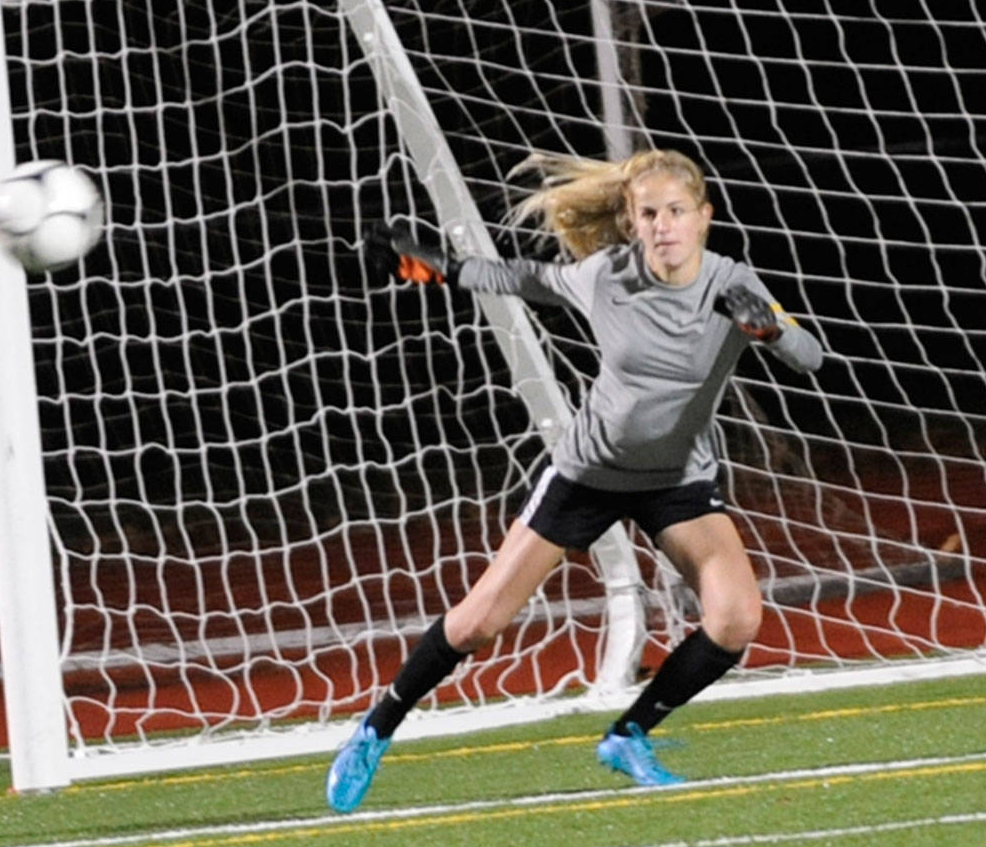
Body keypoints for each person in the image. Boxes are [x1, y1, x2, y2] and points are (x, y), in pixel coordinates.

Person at [327, 147, 824, 812]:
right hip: (589, 472)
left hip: (677, 480)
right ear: (630, 219)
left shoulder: (732, 282)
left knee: (736, 617)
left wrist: (768, 331)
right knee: (478, 623)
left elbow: (810, 355)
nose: (664, 225)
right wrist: (433, 266)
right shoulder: (605, 274)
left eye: (677, 211)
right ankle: (373, 729)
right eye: (649, 213)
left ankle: (628, 735)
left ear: (703, 218)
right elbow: (523, 276)